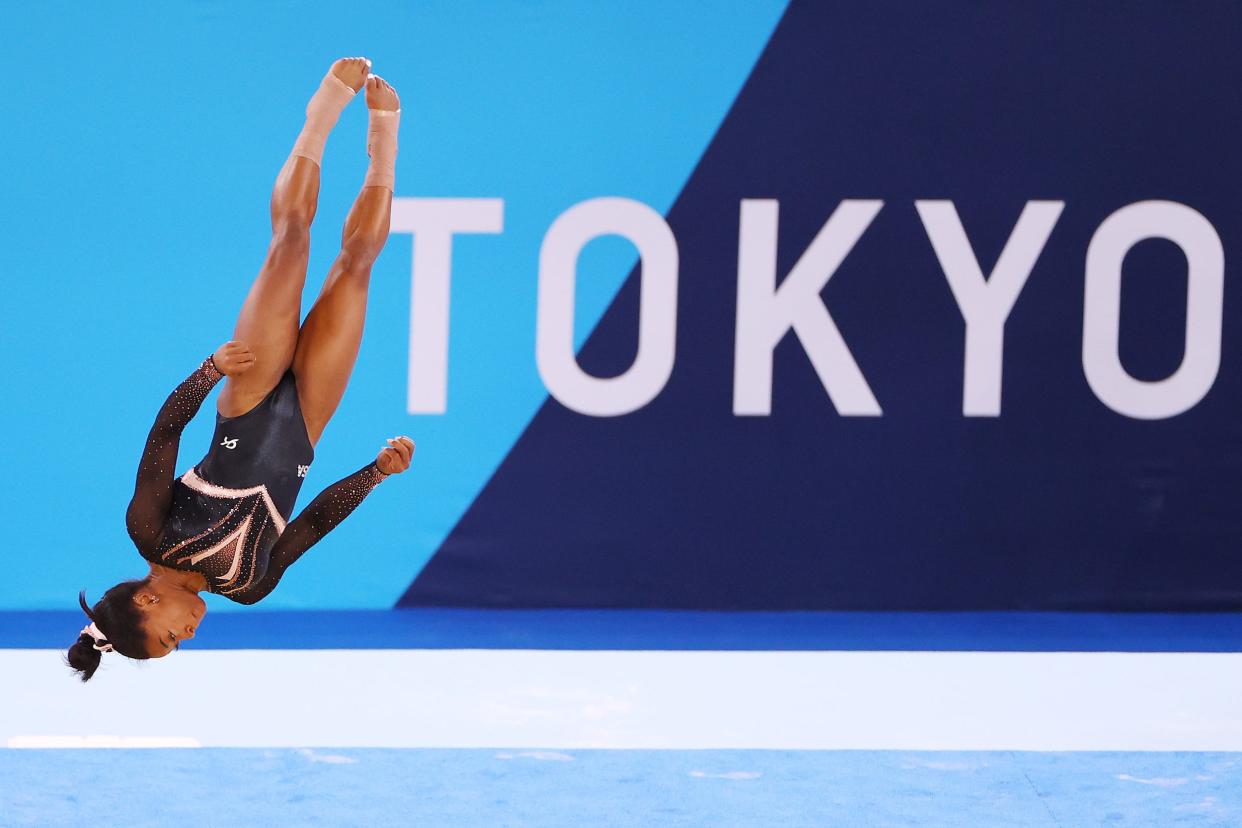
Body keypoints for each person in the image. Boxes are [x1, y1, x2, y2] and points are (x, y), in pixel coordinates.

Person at [69, 57, 412, 681]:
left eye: (171, 638)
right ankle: (383, 150)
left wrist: (208, 371)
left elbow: (163, 438)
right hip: (309, 418)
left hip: (246, 391)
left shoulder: (148, 532)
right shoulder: (249, 586)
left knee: (291, 242)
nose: (189, 636)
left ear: (147, 601)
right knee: (358, 264)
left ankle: (320, 119)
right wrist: (375, 473)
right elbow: (311, 523)